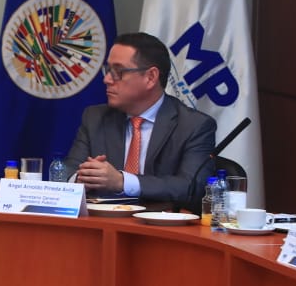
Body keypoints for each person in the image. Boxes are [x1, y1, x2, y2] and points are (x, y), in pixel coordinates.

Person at [67, 32, 217, 204]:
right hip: (104, 224)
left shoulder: (194, 126)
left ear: (150, 77)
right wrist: (81, 179)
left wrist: (123, 182)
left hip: (160, 226)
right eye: (108, 70)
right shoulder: (95, 118)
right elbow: (68, 171)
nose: (107, 79)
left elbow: (192, 187)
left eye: (118, 72)